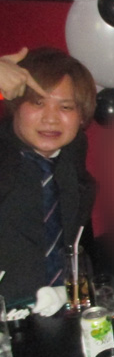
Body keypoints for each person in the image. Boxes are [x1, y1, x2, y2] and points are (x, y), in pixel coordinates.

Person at [0, 47, 97, 303]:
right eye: (38, 103)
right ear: (15, 104)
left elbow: (74, 247)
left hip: (64, 309)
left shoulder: (71, 156)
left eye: (66, 107)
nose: (51, 119)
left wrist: (76, 298)